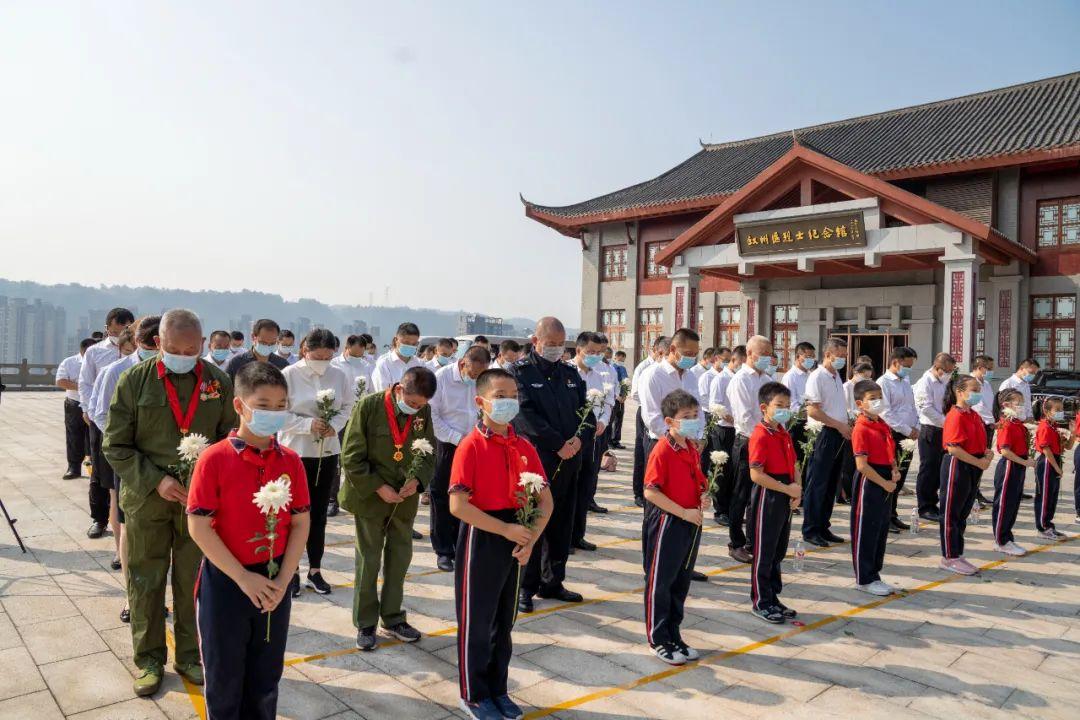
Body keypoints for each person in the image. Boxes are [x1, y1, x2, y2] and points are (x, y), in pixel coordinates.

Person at [103, 308, 237, 696]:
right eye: (175, 349)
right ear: (159, 343)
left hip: (198, 503)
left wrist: (208, 480)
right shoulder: (135, 380)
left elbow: (229, 439)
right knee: (145, 580)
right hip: (148, 498)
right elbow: (115, 444)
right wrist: (156, 480)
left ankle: (191, 656)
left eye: (192, 350)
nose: (183, 356)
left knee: (193, 581)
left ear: (203, 343)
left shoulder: (217, 382)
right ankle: (148, 660)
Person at [187, 362, 311, 720]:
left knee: (265, 676)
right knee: (224, 678)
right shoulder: (214, 459)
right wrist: (243, 578)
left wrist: (283, 580)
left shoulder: (291, 461)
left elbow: (300, 522)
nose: (274, 413)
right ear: (239, 406)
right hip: (227, 580)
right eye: (263, 405)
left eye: (281, 405)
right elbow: (199, 526)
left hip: (274, 581)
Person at [449, 368, 553, 720]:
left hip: (517, 533)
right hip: (484, 533)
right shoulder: (471, 446)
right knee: (476, 620)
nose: (509, 402)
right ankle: (474, 694)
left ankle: (498, 688)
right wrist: (505, 530)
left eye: (513, 396)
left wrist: (530, 538)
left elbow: (545, 501)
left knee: (504, 621)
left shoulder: (524, 446)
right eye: (500, 396)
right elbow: (459, 506)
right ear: (480, 402)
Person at [339, 366, 437, 651]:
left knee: (400, 558)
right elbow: (351, 456)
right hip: (371, 496)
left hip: (403, 499)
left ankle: (393, 618)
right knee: (368, 559)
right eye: (412, 403)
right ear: (399, 390)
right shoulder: (368, 406)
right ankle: (365, 622)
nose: (416, 409)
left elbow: (429, 451)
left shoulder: (423, 411)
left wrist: (417, 481)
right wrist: (378, 486)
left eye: (421, 405)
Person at [511, 317, 586, 613]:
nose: (556, 349)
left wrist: (578, 440)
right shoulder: (520, 373)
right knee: (534, 521)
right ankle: (524, 586)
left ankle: (553, 581)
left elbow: (586, 411)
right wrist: (558, 444)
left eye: (560, 344)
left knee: (562, 523)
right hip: (537, 461)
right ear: (536, 342)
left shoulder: (569, 373)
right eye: (550, 343)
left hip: (569, 459)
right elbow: (524, 415)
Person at [89, 317, 161, 616]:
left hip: (166, 463)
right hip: (131, 462)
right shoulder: (116, 371)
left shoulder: (177, 372)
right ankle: (133, 597)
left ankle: (157, 596)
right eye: (149, 343)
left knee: (160, 534)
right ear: (136, 341)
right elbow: (99, 413)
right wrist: (127, 444)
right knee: (131, 527)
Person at [280, 329, 354, 596]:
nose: (323, 362)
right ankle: (291, 571)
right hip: (295, 452)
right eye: (317, 357)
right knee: (292, 514)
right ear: (305, 350)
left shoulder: (339, 375)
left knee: (318, 515)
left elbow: (347, 406)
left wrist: (334, 425)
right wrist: (307, 425)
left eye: (327, 357)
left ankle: (315, 569)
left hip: (326, 451)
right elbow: (279, 413)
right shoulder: (288, 375)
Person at [642, 389, 707, 664]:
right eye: (686, 417)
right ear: (669, 421)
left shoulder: (691, 447)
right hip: (669, 521)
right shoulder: (662, 449)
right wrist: (682, 512)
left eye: (695, 415)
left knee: (681, 581)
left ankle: (673, 633)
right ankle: (658, 638)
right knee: (661, 582)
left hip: (691, 521)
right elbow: (650, 491)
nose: (693, 421)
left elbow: (698, 480)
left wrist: (703, 495)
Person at [429, 345, 491, 571]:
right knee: (442, 496)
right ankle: (443, 550)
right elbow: (432, 415)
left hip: (474, 445)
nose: (476, 378)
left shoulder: (482, 380)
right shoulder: (442, 378)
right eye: (474, 373)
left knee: (467, 496)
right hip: (447, 443)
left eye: (481, 374)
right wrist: (457, 438)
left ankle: (461, 545)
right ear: (464, 363)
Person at [747, 381, 801, 624]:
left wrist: (796, 491)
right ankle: (761, 601)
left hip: (785, 493)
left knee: (778, 549)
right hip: (768, 495)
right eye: (779, 405)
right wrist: (786, 489)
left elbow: (794, 464)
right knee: (764, 550)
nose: (784, 410)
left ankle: (772, 596)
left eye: (787, 406)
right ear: (764, 407)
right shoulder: (760, 434)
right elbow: (756, 474)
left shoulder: (783, 433)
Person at [80, 306, 136, 538]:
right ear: (107, 328)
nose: (120, 333)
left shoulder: (137, 350)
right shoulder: (95, 352)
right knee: (100, 472)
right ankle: (99, 519)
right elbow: (85, 383)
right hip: (101, 418)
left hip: (129, 421)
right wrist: (87, 410)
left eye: (126, 329)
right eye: (116, 330)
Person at [89, 324, 138, 574]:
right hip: (116, 446)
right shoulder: (113, 371)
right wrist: (119, 439)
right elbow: (98, 412)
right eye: (130, 350)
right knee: (117, 496)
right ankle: (120, 550)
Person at [849, 379, 900, 596]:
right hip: (870, 480)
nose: (878, 401)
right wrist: (884, 482)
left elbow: (890, 450)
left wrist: (894, 469)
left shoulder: (882, 423)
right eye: (872, 399)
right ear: (860, 404)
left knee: (880, 528)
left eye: (879, 397)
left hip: (885, 478)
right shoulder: (861, 428)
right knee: (866, 528)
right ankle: (864, 577)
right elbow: (862, 465)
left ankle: (874, 574)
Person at [938, 374, 992, 576]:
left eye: (979, 390)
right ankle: (949, 557)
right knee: (951, 513)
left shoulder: (973, 414)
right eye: (974, 390)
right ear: (960, 392)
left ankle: (957, 552)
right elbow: (953, 448)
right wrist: (979, 461)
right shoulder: (955, 415)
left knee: (962, 513)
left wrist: (986, 454)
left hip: (973, 465)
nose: (978, 394)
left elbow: (977, 441)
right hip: (958, 465)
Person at [726, 336, 773, 563]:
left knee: (758, 496)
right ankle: (736, 543)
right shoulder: (741, 380)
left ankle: (754, 541)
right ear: (750, 353)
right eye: (763, 354)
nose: (767, 358)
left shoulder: (768, 379)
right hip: (748, 441)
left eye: (769, 354)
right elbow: (744, 417)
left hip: (767, 441)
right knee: (741, 494)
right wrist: (764, 435)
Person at [801, 338, 851, 548]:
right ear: (828, 355)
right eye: (840, 356)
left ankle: (823, 525)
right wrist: (838, 425)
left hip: (839, 434)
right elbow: (813, 410)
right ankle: (811, 529)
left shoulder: (836, 375)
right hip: (824, 433)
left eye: (845, 356)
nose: (843, 360)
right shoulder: (817, 376)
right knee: (818, 483)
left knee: (831, 483)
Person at [570, 332, 612, 552]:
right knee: (568, 489)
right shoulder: (566, 372)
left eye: (598, 352)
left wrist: (603, 421)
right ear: (579, 350)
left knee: (585, 486)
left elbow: (606, 403)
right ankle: (564, 538)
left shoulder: (598, 375)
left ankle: (578, 535)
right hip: (571, 439)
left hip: (592, 439)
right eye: (591, 352)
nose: (595, 356)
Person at [639, 329, 704, 469]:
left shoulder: (691, 377)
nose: (692, 358)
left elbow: (698, 410)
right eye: (688, 354)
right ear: (673, 349)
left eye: (695, 354)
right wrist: (676, 440)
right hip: (663, 444)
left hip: (688, 445)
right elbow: (652, 417)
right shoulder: (653, 375)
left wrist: (699, 436)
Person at [876, 347, 919, 530]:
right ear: (895, 362)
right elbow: (885, 412)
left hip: (909, 434)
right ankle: (884, 517)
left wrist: (916, 426)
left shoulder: (905, 381)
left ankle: (892, 514)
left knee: (900, 476)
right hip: (893, 434)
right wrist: (907, 430)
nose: (909, 369)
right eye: (907, 365)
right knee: (891, 476)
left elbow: (912, 407)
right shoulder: (883, 383)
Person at [913, 352, 956, 524]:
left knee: (939, 469)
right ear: (938, 368)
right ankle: (925, 507)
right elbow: (926, 408)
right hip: (930, 429)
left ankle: (933, 503)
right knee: (928, 469)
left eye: (952, 371)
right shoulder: (925, 382)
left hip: (944, 429)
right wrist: (947, 422)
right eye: (948, 370)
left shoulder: (943, 382)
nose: (949, 374)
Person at [991, 388, 1035, 556]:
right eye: (1019, 402)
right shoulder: (1007, 424)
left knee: (1013, 504)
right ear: (1006, 404)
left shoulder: (1017, 423)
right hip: (1010, 466)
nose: (1022, 405)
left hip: (1018, 466)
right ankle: (1001, 541)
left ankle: (1007, 537)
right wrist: (1025, 462)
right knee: (1004, 504)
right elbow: (1005, 451)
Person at [631, 336, 669, 506]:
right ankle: (639, 492)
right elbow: (635, 393)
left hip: (664, 417)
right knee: (642, 451)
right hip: (646, 412)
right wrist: (650, 403)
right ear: (657, 351)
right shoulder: (645, 368)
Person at [708, 345, 742, 524]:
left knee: (734, 471)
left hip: (737, 429)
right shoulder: (720, 379)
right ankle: (720, 510)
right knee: (721, 470)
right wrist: (733, 420)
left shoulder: (739, 378)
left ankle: (731, 509)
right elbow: (715, 406)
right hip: (723, 429)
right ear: (735, 360)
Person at [56, 337, 96, 479]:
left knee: (95, 436)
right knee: (74, 436)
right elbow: (61, 381)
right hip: (75, 403)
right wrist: (83, 387)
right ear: (82, 350)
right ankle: (73, 468)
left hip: (95, 405)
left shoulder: (100, 361)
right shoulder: (69, 362)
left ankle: (96, 468)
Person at [837, 361, 873, 505]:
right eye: (865, 376)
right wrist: (856, 413)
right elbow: (844, 407)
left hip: (861, 426)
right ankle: (846, 493)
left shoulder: (863, 389)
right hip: (850, 426)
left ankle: (854, 491)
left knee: (857, 460)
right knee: (848, 463)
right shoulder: (846, 387)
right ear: (856, 373)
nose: (867, 379)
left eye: (869, 377)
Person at [1033, 397, 1067, 540]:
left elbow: (1065, 447)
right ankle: (1043, 527)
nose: (1060, 412)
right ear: (1047, 412)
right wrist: (1057, 468)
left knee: (1052, 496)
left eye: (1062, 409)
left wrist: (1070, 435)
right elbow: (1046, 450)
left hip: (1054, 461)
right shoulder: (1045, 427)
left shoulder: (1054, 426)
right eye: (1057, 410)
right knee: (1045, 496)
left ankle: (1048, 524)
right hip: (1047, 463)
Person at [970, 355, 997, 507]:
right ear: (980, 368)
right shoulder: (970, 382)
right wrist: (993, 421)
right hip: (977, 425)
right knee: (975, 459)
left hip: (988, 425)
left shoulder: (986, 384)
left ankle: (976, 492)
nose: (992, 371)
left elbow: (990, 405)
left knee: (983, 458)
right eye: (989, 368)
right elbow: (978, 406)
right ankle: (972, 494)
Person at [372, 323, 423, 392]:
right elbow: (382, 394)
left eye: (414, 344)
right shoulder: (384, 364)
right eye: (406, 343)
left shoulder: (421, 364)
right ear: (396, 340)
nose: (410, 346)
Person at [608, 349, 629, 448]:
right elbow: (611, 383)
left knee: (619, 419)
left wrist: (624, 395)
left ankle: (616, 440)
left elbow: (625, 382)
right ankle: (609, 441)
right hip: (614, 398)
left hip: (622, 398)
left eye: (623, 359)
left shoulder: (623, 368)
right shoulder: (612, 368)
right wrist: (616, 396)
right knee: (611, 419)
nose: (621, 361)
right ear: (615, 357)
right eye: (620, 359)